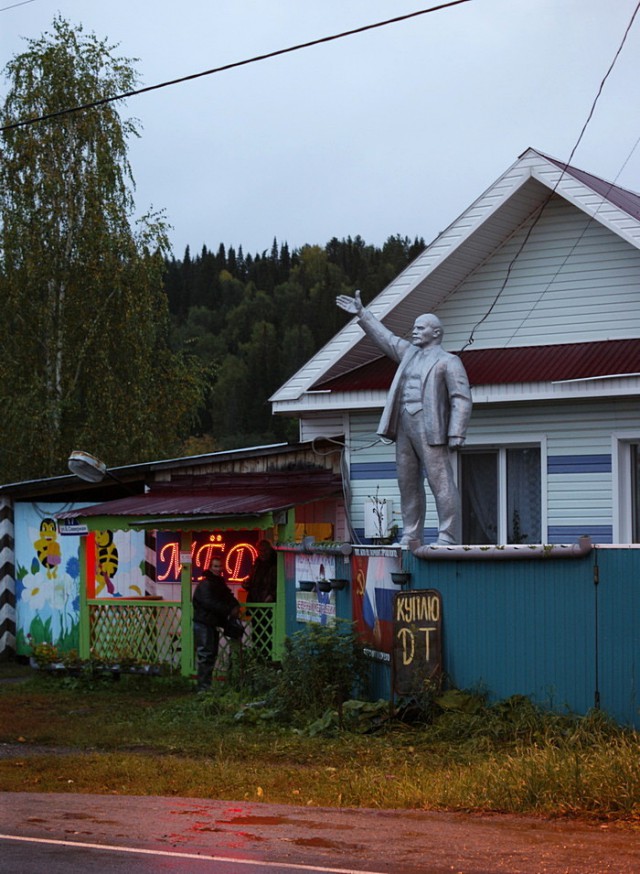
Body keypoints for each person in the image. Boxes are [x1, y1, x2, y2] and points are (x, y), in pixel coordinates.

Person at [336, 289, 472, 546]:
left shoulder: (448, 361)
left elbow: (461, 398)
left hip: (431, 427)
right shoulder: (408, 353)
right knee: (407, 482)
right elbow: (385, 338)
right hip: (404, 425)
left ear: (436, 333)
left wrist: (456, 432)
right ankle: (411, 534)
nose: (415, 331)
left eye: (421, 328)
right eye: (414, 327)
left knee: (440, 481)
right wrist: (363, 314)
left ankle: (447, 535)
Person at [192, 555, 241, 692]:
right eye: (215, 566)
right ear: (210, 567)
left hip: (209, 623)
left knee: (209, 655)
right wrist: (230, 609)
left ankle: (205, 686)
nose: (218, 569)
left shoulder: (216, 583)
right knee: (206, 655)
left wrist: (234, 605)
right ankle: (203, 688)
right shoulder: (207, 584)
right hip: (204, 623)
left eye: (219, 566)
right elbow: (210, 603)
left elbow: (228, 596)